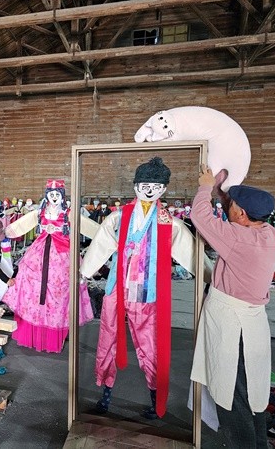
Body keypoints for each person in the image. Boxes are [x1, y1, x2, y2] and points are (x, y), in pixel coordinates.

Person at [80, 157, 198, 420]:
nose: (149, 190)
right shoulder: (119, 216)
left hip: (146, 290)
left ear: (163, 189)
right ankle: (105, 395)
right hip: (117, 287)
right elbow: (101, 242)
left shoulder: (168, 221)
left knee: (149, 344)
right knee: (107, 338)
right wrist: (84, 272)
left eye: (155, 187)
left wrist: (208, 276)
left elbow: (188, 250)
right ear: (135, 186)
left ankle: (156, 399)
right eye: (145, 185)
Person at [189, 164, 275, 449]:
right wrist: (220, 191)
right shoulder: (269, 234)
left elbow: (199, 216)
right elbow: (234, 218)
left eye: (232, 206)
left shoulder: (239, 239)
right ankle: (258, 444)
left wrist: (205, 187)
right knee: (252, 392)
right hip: (252, 322)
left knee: (232, 393)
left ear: (241, 213)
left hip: (233, 325)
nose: (229, 208)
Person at [1, 179, 97, 353]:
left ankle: (56, 332)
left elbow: (89, 227)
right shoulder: (40, 212)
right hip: (38, 254)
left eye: (57, 194)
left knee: (60, 293)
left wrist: (106, 235)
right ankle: (33, 331)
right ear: (47, 196)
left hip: (62, 256)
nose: (54, 197)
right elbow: (22, 224)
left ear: (62, 196)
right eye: (51, 194)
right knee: (33, 289)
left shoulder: (69, 214)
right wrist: (5, 232)